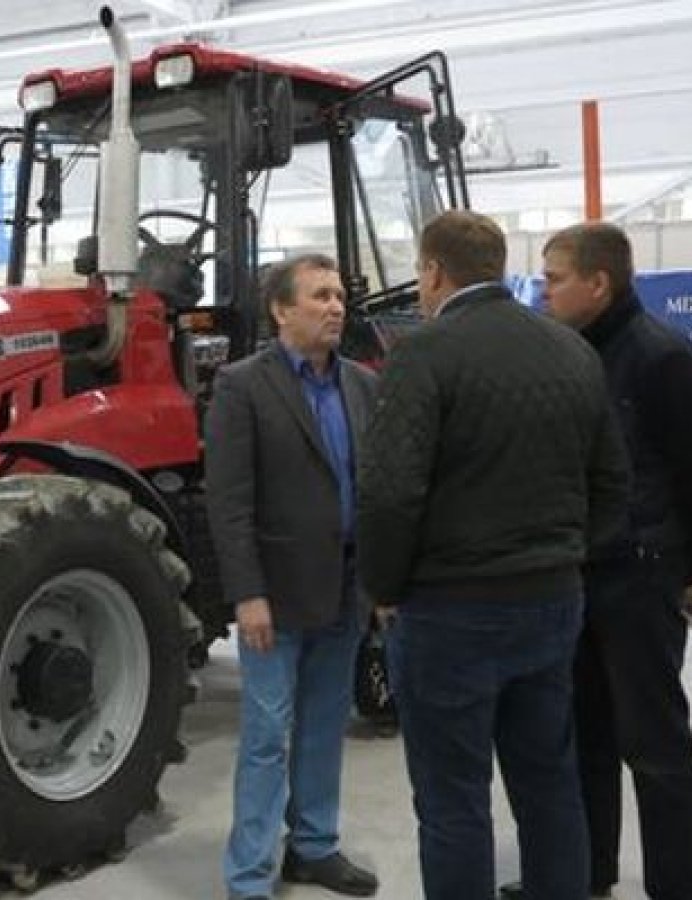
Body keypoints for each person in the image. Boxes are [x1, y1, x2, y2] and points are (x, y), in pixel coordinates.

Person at [357, 210, 630, 900]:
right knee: (548, 781)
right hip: (552, 602)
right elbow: (612, 483)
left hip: (449, 609)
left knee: (453, 799)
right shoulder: (572, 350)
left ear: (434, 271)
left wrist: (384, 587)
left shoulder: (422, 354)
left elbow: (391, 494)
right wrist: (565, 555)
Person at [531, 220, 692, 900]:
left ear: (599, 282)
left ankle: (683, 886)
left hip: (639, 576)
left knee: (655, 746)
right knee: (583, 734)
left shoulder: (663, 358)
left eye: (553, 278)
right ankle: (588, 870)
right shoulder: (569, 355)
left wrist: (677, 568)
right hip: (580, 575)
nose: (542, 290)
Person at [207, 254, 380, 900]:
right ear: (282, 309)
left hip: (345, 588)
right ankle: (250, 875)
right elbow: (230, 502)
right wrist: (247, 593)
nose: (335, 306)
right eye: (319, 296)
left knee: (323, 725)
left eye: (338, 295)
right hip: (273, 599)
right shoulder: (242, 386)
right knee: (266, 737)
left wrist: (379, 584)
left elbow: (374, 489)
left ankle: (313, 846)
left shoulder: (362, 385)